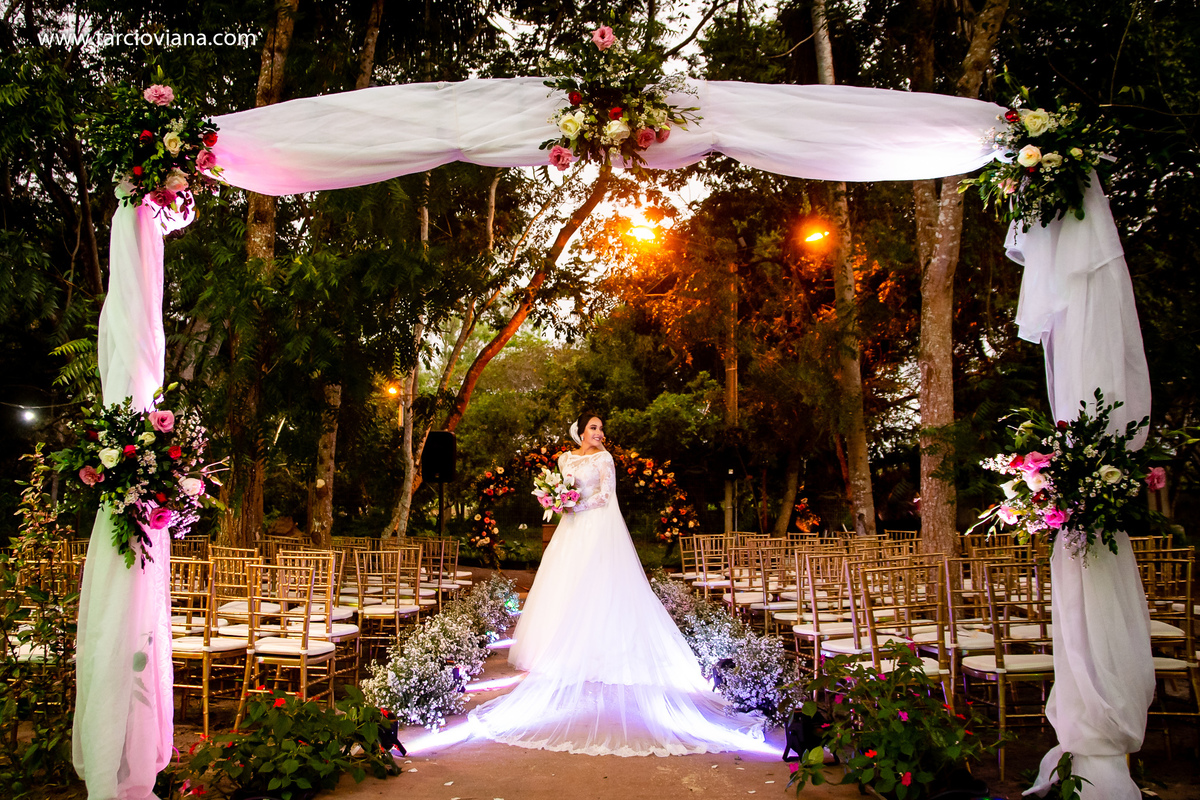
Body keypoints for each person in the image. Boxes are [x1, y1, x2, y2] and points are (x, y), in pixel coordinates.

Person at [468, 412, 766, 757]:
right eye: (593, 427)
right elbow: (557, 489)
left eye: (600, 428)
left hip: (597, 528)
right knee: (564, 586)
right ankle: (559, 651)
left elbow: (606, 497)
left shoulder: (605, 458)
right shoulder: (565, 458)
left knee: (600, 589)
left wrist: (573, 503)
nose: (599, 432)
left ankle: (602, 651)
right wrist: (557, 500)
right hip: (570, 532)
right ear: (580, 431)